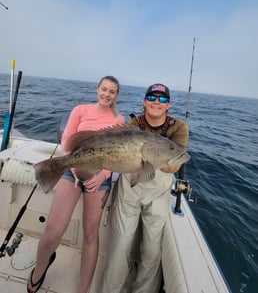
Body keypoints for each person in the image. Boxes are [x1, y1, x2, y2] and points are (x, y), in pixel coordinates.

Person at [27, 76, 124, 293]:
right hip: (72, 171)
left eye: (112, 92)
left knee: (91, 235)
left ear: (117, 95)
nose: (107, 95)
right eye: (104, 89)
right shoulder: (80, 110)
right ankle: (37, 272)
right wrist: (73, 168)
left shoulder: (119, 119)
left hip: (99, 178)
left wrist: (102, 175)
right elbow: (67, 139)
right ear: (97, 89)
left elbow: (117, 152)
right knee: (53, 232)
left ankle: (83, 289)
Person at [102, 83, 189, 293]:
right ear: (144, 102)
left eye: (162, 99)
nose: (156, 102)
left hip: (158, 193)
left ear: (168, 105)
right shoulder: (134, 123)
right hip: (129, 190)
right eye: (151, 97)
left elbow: (175, 164)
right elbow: (118, 155)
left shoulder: (179, 128)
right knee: (121, 244)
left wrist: (155, 158)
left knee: (151, 249)